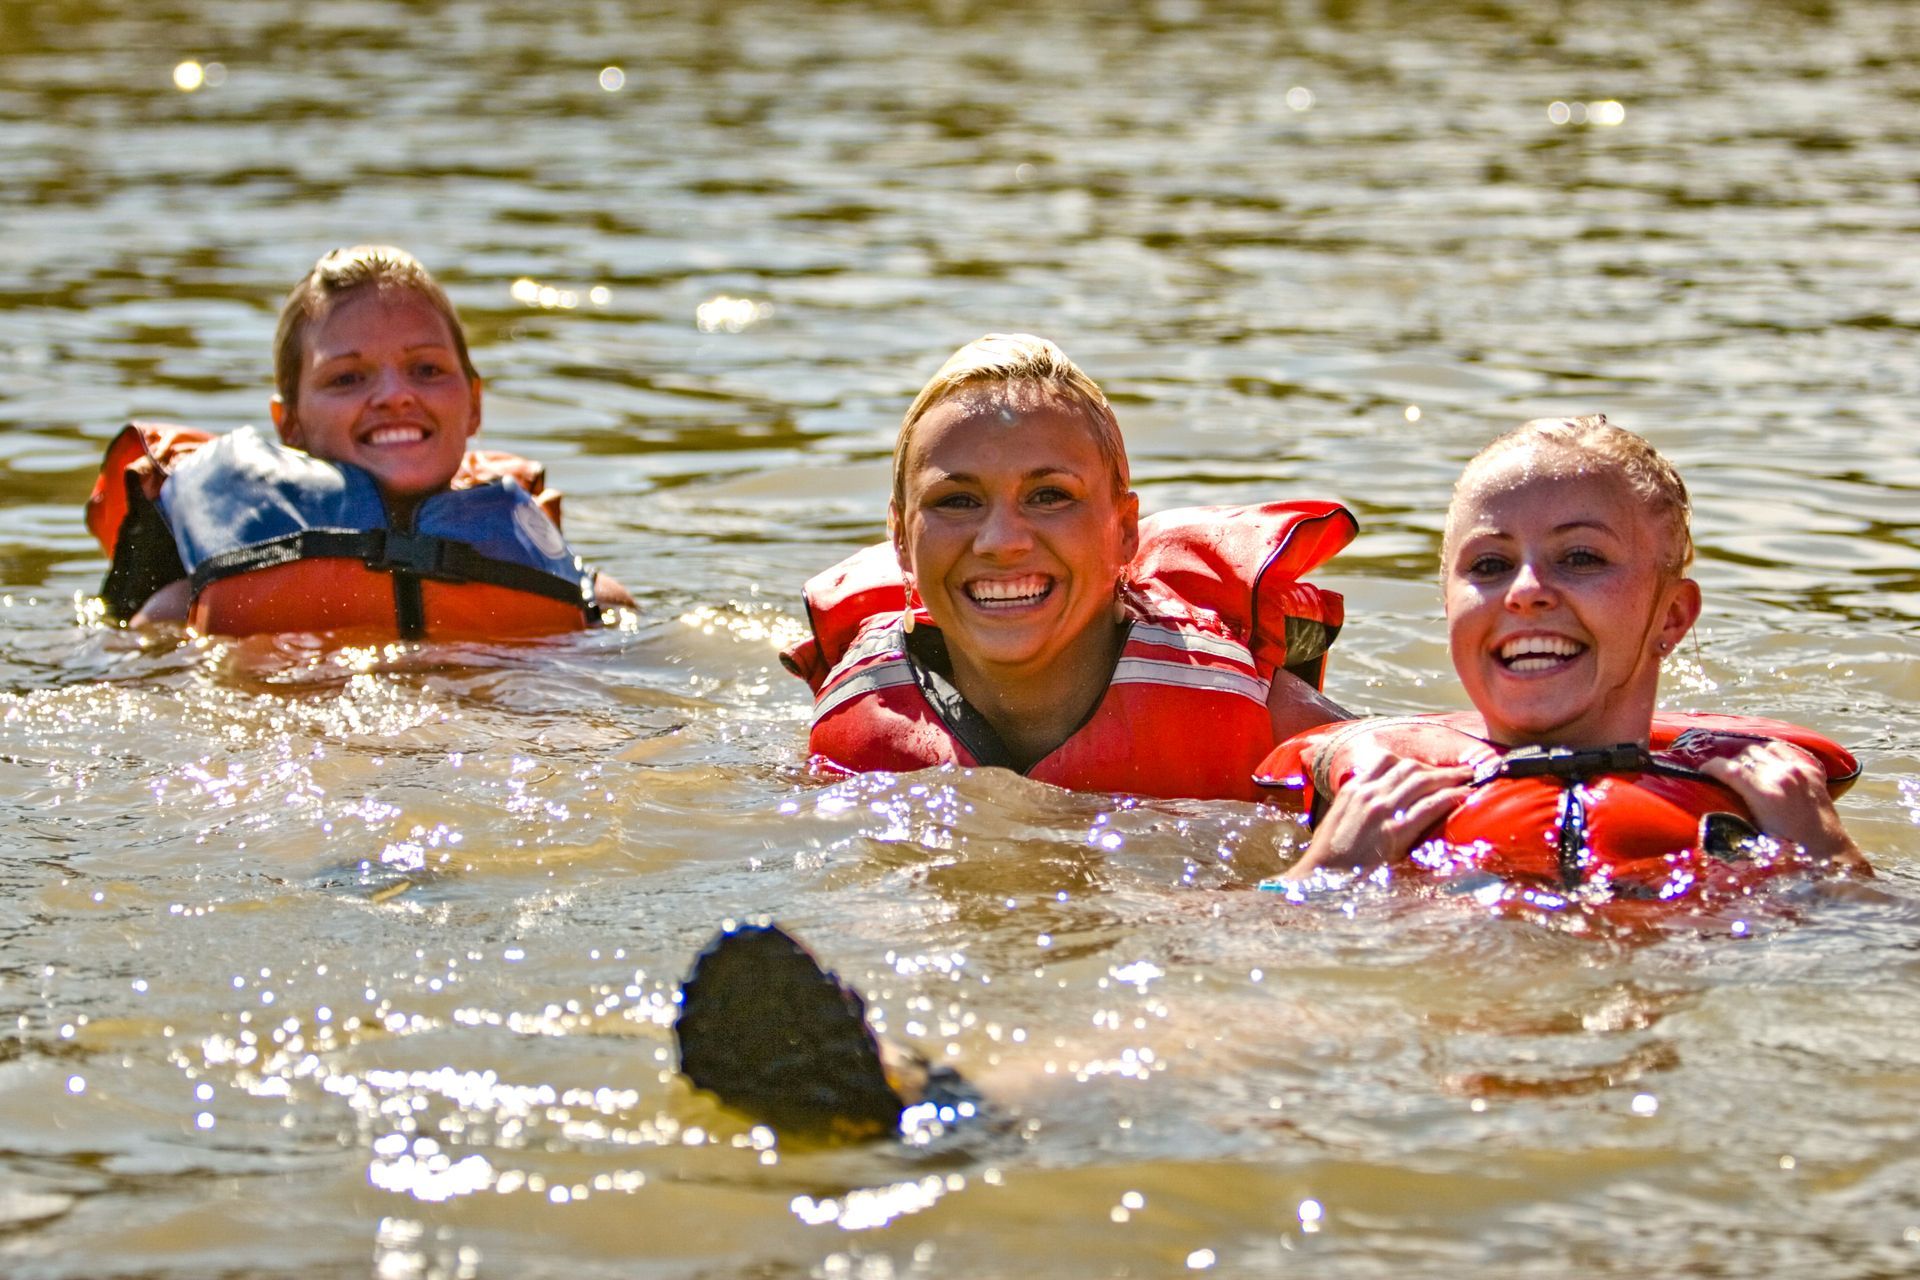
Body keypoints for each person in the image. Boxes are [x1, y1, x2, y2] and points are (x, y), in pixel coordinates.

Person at [1265, 415, 1867, 897]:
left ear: (1673, 616)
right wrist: (1325, 873)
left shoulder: (1772, 825)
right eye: (1490, 566)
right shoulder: (1365, 816)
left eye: (1581, 558)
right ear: (1447, 607)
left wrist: (1828, 856)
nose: (1525, 592)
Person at [780, 334, 1356, 801]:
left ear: (1125, 531)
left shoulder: (1248, 712)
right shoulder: (855, 726)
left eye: (1050, 496)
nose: (1001, 542)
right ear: (902, 539)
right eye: (957, 501)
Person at [86, 244, 631, 638]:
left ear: (474, 405)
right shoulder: (180, 615)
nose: (395, 395)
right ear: (289, 424)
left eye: (426, 369)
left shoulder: (593, 608)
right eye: (347, 378)